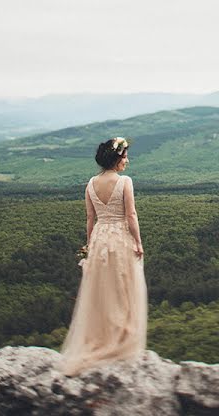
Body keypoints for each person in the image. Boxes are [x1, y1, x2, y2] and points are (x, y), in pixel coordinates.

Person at [58, 137, 147, 376]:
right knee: (123, 288)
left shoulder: (90, 184)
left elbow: (90, 219)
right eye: (125, 156)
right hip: (119, 237)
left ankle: (102, 339)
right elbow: (131, 215)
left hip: (99, 239)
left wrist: (90, 245)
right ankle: (120, 342)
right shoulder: (125, 182)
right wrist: (138, 241)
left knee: (102, 291)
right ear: (117, 159)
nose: (127, 161)